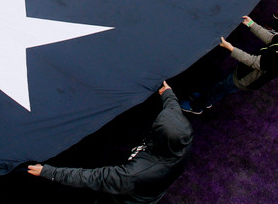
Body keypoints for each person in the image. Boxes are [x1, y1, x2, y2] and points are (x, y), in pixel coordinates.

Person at [28, 81, 192, 204]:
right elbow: (173, 111)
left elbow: (95, 178)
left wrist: (48, 172)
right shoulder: (182, 137)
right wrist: (168, 94)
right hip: (151, 187)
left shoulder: (136, 173)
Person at [179, 17, 278, 114]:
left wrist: (231, 48)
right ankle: (208, 99)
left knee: (221, 87)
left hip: (243, 79)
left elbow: (254, 62)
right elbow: (271, 39)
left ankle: (197, 106)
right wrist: (252, 25)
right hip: (244, 71)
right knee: (221, 87)